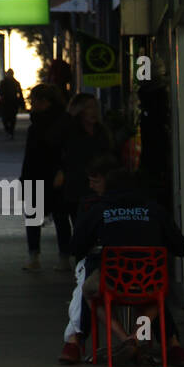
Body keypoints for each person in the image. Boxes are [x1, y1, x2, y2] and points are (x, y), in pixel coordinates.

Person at [62, 159, 184, 366]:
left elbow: (76, 247)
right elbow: (181, 248)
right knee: (158, 293)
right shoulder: (155, 210)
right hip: (148, 281)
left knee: (88, 289)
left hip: (113, 282)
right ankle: (159, 341)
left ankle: (125, 339)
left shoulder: (99, 211)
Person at [53, 93, 114, 270]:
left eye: (94, 107)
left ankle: (87, 259)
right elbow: (54, 142)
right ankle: (75, 257)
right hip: (76, 183)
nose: (92, 112)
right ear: (79, 111)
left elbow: (109, 155)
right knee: (76, 222)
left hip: (98, 183)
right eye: (87, 107)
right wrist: (69, 114)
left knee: (92, 223)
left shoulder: (102, 132)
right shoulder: (71, 129)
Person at [19, 83, 68, 271]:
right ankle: (44, 257)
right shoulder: (39, 122)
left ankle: (40, 257)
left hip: (50, 174)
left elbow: (61, 150)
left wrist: (61, 170)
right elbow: (30, 154)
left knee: (56, 216)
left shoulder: (57, 123)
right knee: (55, 217)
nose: (33, 104)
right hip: (39, 174)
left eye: (36, 101)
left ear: (46, 102)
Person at [0, 69, 23, 138]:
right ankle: (10, 131)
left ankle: (9, 131)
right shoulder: (15, 83)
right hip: (10, 102)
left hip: (9, 102)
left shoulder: (4, 82)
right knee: (10, 118)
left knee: (8, 118)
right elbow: (20, 93)